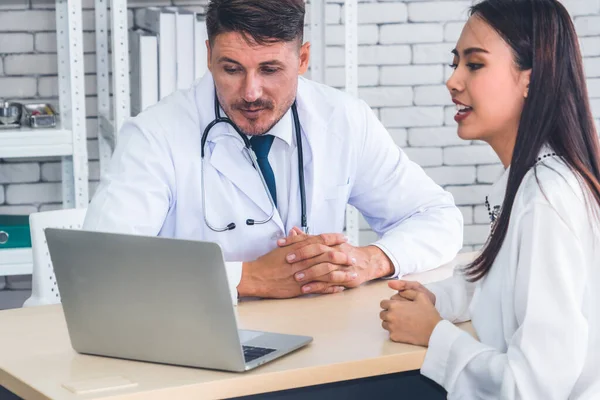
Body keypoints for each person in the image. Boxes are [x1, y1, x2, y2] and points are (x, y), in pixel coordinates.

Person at [84, 0, 463, 300]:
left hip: (318, 335)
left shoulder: (344, 120)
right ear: (208, 55)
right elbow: (100, 265)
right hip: (197, 342)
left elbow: (438, 217)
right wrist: (247, 278)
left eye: (270, 70)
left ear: (302, 60)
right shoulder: (155, 135)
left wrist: (367, 260)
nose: (250, 92)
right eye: (231, 69)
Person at [379, 0, 600, 398]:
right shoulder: (531, 179)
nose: (453, 81)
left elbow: (532, 388)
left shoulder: (546, 199)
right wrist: (436, 299)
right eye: (455, 63)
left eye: (474, 65)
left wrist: (434, 335)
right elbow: (494, 283)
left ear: (530, 80)